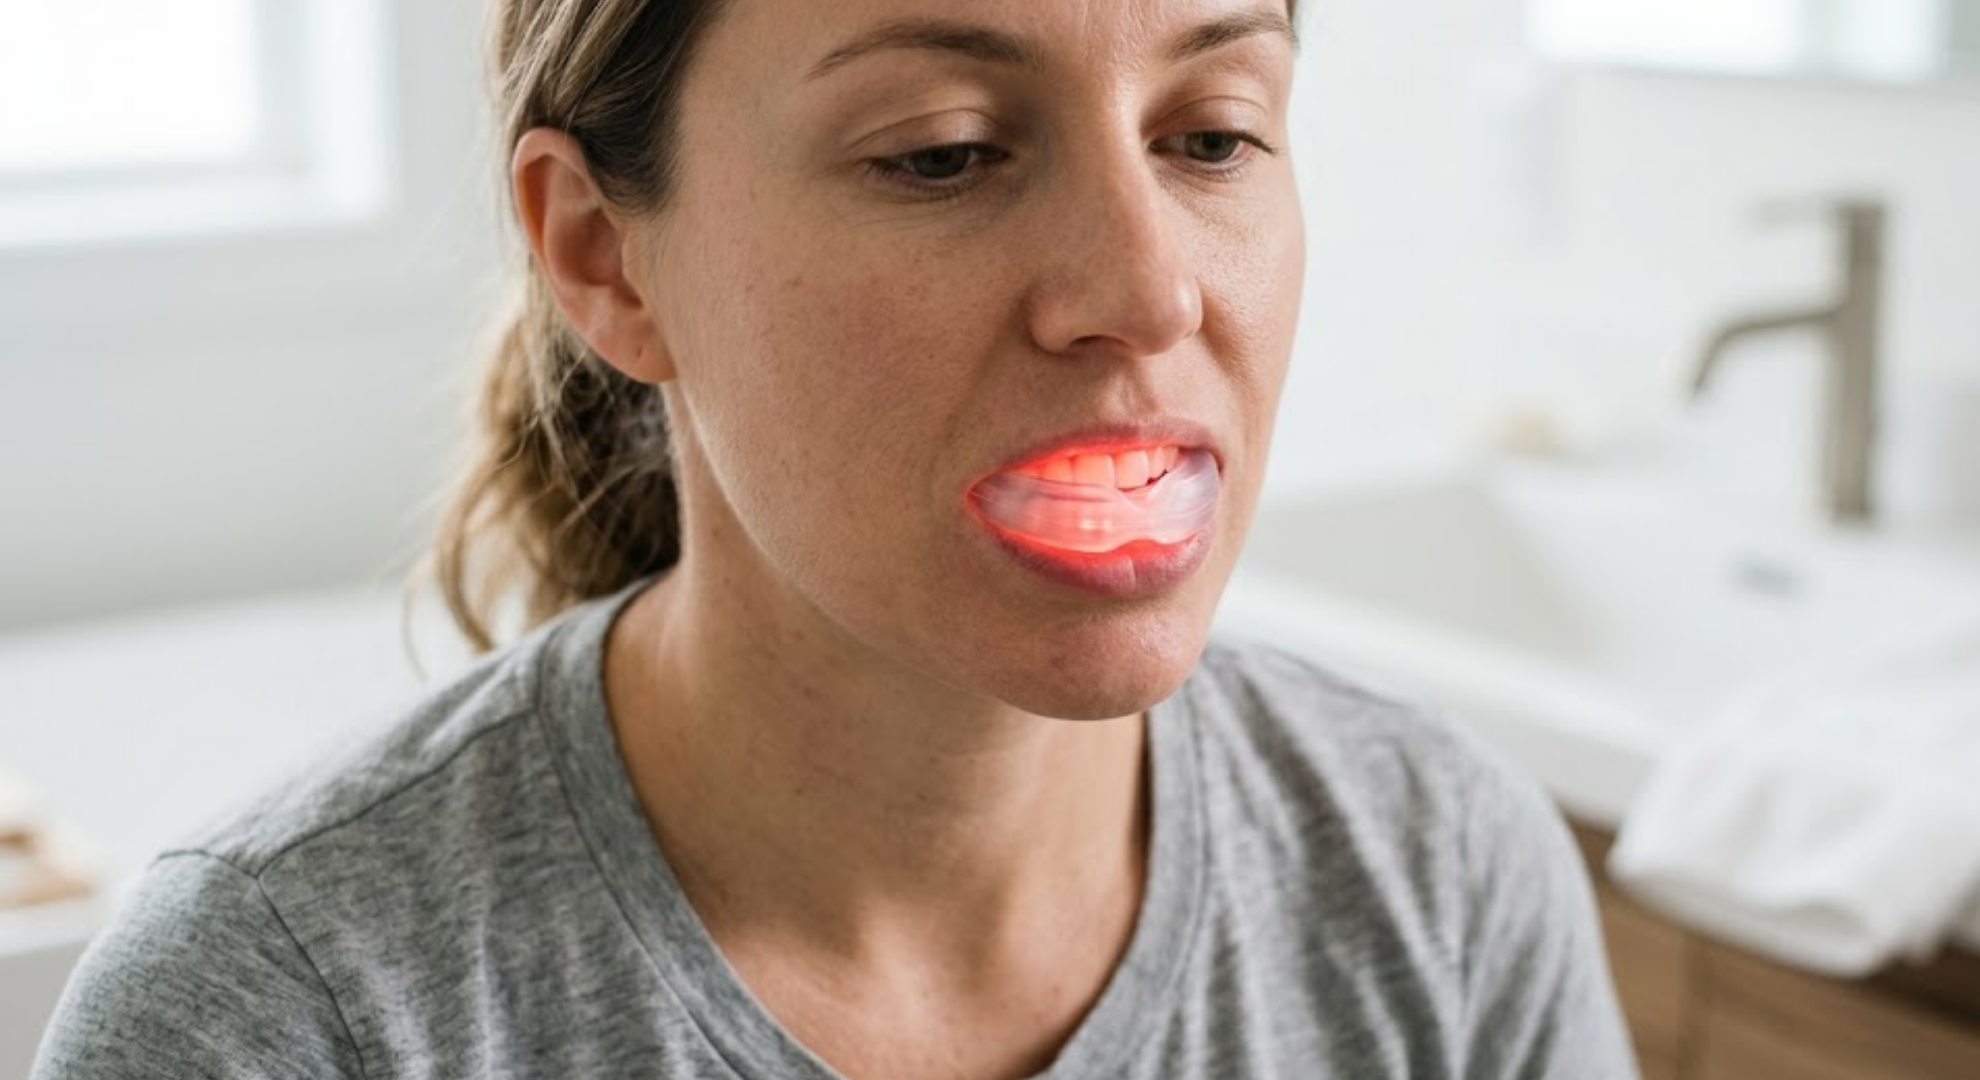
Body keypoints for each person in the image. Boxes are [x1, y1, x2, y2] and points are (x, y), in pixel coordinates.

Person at [33, 0, 1640, 1077]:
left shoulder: (1441, 875)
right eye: (942, 151)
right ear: (604, 257)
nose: (1148, 290)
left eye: (1210, 135)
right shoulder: (280, 1014)